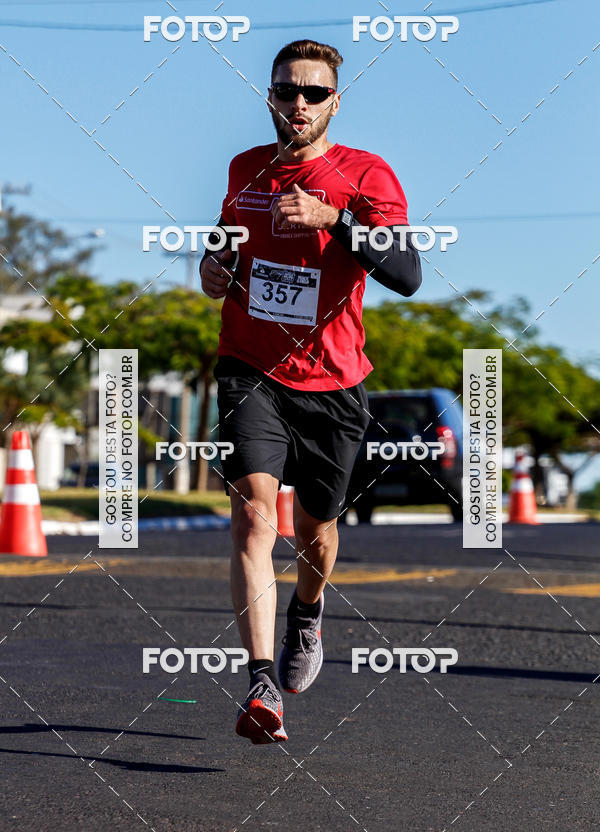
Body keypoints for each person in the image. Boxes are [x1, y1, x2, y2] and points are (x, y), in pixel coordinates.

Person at [200, 39, 421, 744]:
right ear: (269, 95)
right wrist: (211, 267)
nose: (298, 104)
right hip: (249, 365)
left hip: (334, 379)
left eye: (314, 93)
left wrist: (334, 221)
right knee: (252, 518)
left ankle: (308, 610)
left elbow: (408, 272)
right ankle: (262, 683)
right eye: (286, 90)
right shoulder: (243, 168)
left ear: (334, 100)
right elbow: (224, 243)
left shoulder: (364, 174)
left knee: (315, 535)